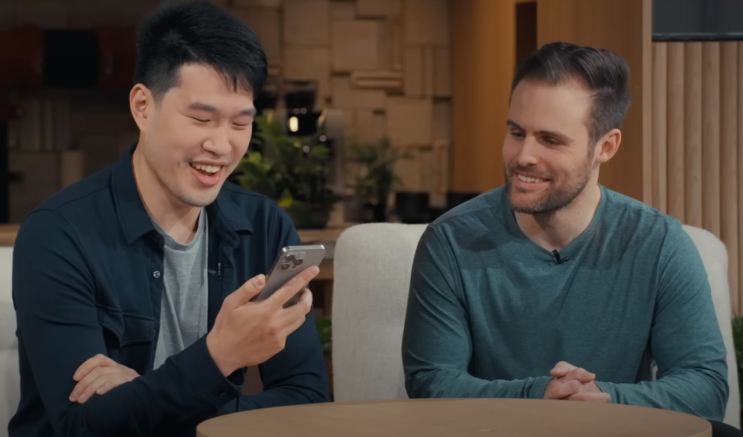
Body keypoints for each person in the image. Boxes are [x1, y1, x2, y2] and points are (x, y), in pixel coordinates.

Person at [9, 1, 328, 436]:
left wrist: (141, 392)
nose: (221, 146)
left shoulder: (267, 226)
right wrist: (219, 356)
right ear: (143, 106)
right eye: (201, 118)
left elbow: (307, 399)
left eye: (240, 123)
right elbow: (83, 425)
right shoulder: (58, 234)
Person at [401, 42, 740, 436]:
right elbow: (432, 383)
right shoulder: (450, 242)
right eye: (516, 132)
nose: (523, 156)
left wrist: (604, 400)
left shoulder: (659, 243)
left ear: (605, 147)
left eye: (550, 140)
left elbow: (705, 388)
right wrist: (539, 397)